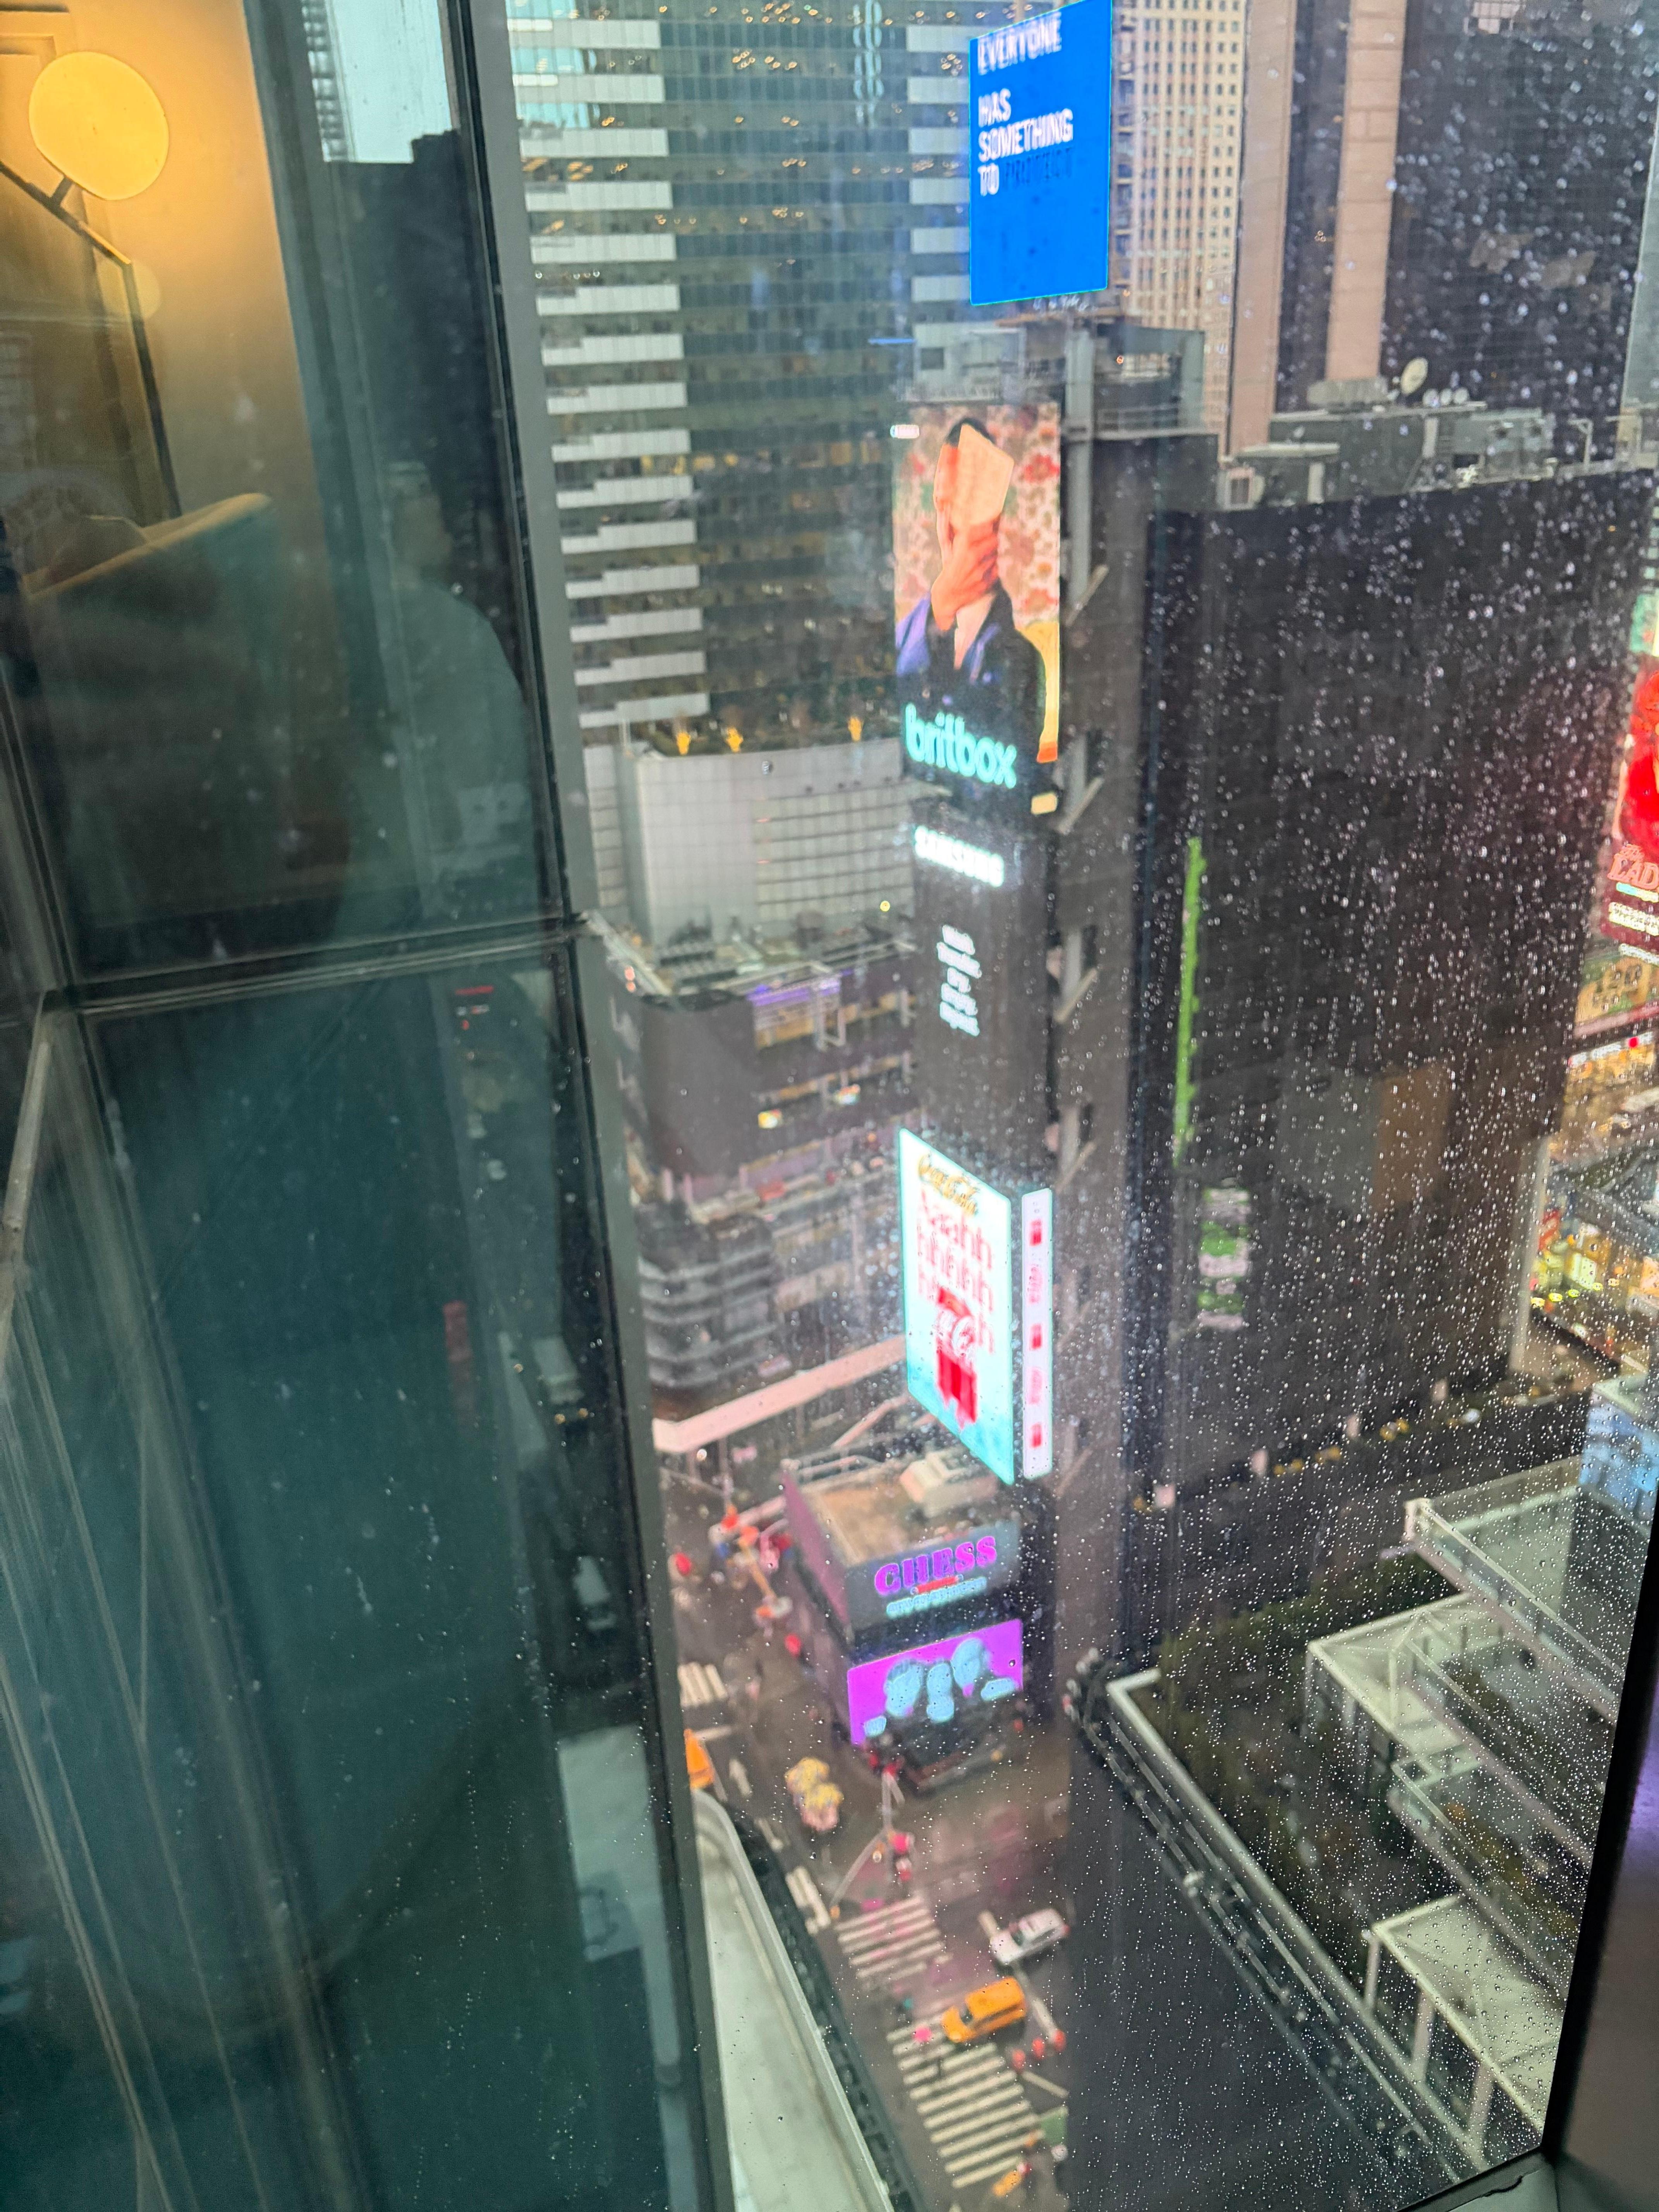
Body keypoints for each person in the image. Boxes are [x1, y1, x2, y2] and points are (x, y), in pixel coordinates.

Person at [895, 417, 1045, 759]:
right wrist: (939, 611)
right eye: (940, 504)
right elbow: (899, 699)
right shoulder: (909, 633)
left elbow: (1015, 744)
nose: (946, 525)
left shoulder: (1022, 647)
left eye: (960, 507)